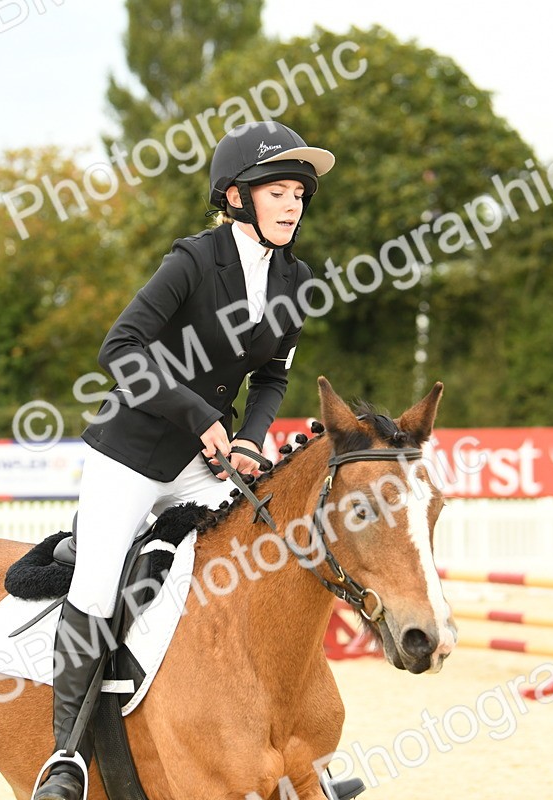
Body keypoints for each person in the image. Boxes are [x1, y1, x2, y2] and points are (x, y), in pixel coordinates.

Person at [31, 121, 334, 800]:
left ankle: (276, 741)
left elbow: (273, 378)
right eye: (278, 192)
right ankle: (66, 756)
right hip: (132, 453)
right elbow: (120, 348)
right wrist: (199, 416)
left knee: (251, 560)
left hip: (207, 460)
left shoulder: (296, 278)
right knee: (98, 583)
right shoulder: (194, 261)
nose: (292, 205)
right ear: (237, 196)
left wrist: (251, 437)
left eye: (298, 194)